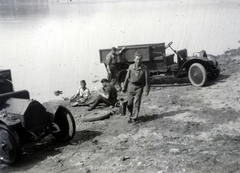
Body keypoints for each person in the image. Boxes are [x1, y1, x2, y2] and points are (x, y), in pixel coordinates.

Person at [123, 51, 151, 123]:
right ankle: (130, 114)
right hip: (130, 86)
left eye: (139, 59)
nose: (138, 61)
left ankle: (134, 117)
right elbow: (126, 77)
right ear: (134, 59)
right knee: (129, 103)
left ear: (141, 60)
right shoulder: (130, 67)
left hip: (139, 87)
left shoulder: (144, 68)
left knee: (136, 103)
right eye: (137, 59)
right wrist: (124, 87)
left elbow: (147, 80)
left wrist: (146, 90)